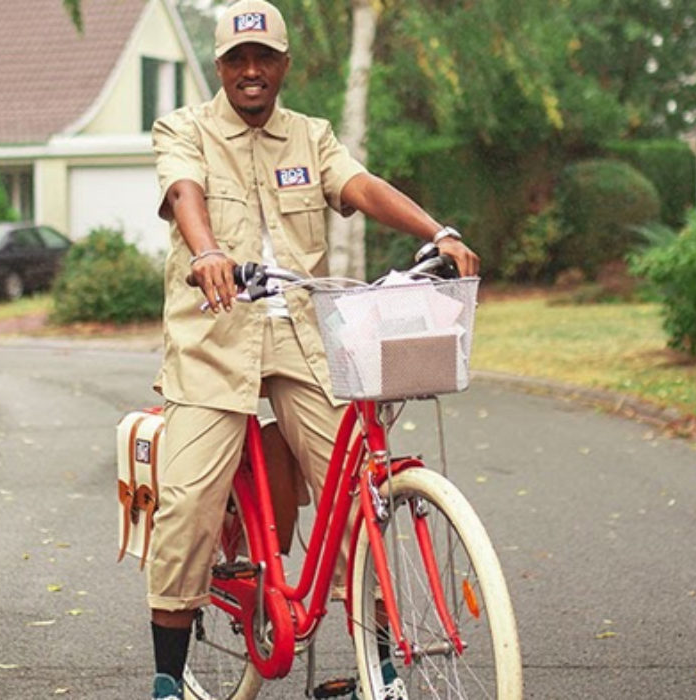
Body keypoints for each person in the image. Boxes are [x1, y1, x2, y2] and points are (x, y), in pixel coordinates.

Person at [142, 1, 479, 698]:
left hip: (301, 336)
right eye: (238, 59)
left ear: (285, 64)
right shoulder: (184, 128)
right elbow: (184, 191)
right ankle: (168, 680)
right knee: (189, 501)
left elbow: (359, 186)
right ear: (220, 68)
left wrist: (438, 231)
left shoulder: (312, 137)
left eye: (264, 57)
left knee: (358, 495)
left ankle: (375, 668)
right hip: (215, 338)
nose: (252, 70)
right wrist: (207, 252)